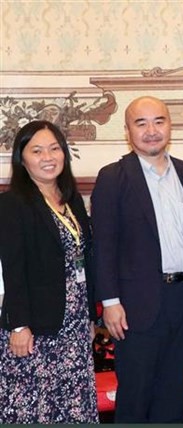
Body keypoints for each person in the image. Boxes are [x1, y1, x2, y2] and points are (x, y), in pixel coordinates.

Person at [91, 96, 183, 422]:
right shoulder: (113, 177)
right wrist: (110, 301)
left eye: (159, 121)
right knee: (136, 397)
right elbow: (104, 244)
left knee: (174, 396)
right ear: (128, 131)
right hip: (135, 307)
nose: (151, 130)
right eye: (141, 123)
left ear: (170, 125)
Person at [0, 120, 98, 423]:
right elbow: (11, 268)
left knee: (73, 407)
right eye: (37, 150)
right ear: (22, 158)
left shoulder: (71, 201)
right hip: (35, 330)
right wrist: (18, 325)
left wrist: (89, 317)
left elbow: (85, 259)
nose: (48, 157)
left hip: (74, 325)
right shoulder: (12, 203)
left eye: (55, 149)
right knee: (35, 408)